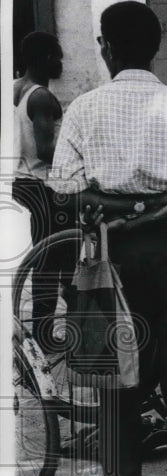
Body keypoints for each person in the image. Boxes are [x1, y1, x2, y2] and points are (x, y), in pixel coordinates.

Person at [48, 1, 167, 476]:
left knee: (113, 380)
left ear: (105, 46)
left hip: (109, 260)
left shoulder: (82, 108)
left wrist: (118, 207)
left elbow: (67, 192)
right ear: (155, 47)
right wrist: (152, 206)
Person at [12, 32, 74, 347]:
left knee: (46, 259)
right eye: (57, 57)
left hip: (20, 182)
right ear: (45, 59)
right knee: (55, 261)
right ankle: (45, 335)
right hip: (43, 185)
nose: (60, 63)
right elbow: (46, 150)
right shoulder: (41, 97)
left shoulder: (14, 88)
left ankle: (43, 330)